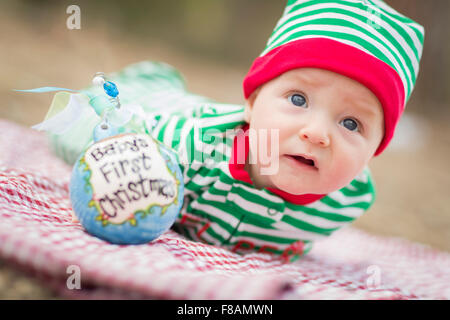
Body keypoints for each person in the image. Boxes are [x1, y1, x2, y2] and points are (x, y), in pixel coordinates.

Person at [39, 0, 424, 262]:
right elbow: (117, 153)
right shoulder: (188, 144)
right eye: (298, 100)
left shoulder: (345, 202)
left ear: (375, 150)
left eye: (351, 123)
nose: (317, 133)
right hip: (150, 109)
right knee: (76, 132)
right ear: (253, 103)